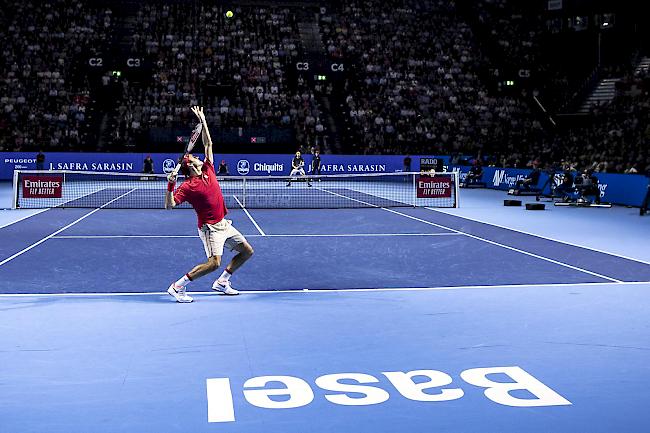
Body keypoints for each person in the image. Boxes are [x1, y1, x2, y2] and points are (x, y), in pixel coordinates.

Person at [165, 106, 254, 303]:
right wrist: (171, 184)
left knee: (247, 251)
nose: (198, 157)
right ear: (190, 165)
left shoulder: (208, 169)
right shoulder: (188, 186)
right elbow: (170, 205)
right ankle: (177, 286)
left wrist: (203, 121)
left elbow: (208, 143)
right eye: (194, 157)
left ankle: (222, 282)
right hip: (210, 228)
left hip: (223, 223)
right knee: (214, 263)